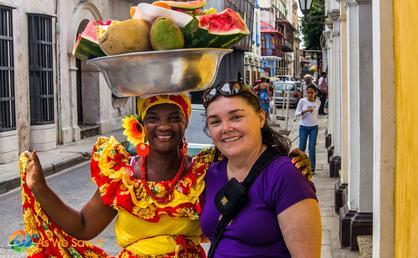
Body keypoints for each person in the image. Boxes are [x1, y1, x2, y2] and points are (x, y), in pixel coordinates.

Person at [20, 94, 311, 257]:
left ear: (184, 124)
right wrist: (41, 188)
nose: (164, 127)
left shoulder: (205, 171)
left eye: (174, 118)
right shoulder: (121, 176)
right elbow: (84, 226)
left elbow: (252, 163)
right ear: (141, 126)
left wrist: (291, 163)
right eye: (154, 118)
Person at [200, 82, 322, 258]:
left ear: (261, 118)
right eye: (215, 121)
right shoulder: (211, 173)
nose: (225, 128)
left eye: (236, 117)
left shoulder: (285, 175)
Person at [295, 85, 321, 174]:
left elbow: (316, 114)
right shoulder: (302, 101)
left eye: (312, 93)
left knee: (312, 148)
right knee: (302, 147)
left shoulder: (318, 102)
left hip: (314, 127)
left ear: (315, 93)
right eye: (308, 92)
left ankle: (312, 168)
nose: (310, 94)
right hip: (303, 127)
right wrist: (305, 111)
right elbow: (296, 114)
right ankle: (301, 167)